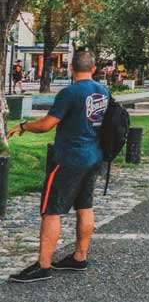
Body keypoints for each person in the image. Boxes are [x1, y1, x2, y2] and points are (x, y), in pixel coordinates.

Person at [7, 49, 110, 284]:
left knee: (52, 209)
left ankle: (43, 266)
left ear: (71, 69)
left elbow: (46, 125)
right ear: (93, 69)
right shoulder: (103, 91)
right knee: (85, 205)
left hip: (70, 158)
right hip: (94, 156)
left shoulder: (70, 93)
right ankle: (79, 257)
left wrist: (24, 126)